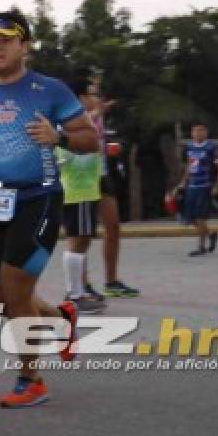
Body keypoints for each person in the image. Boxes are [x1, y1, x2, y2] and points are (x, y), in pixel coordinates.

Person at [0, 10, 99, 409]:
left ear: (25, 45)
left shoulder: (48, 90)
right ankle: (59, 321)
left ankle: (31, 379)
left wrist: (59, 137)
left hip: (38, 198)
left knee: (15, 285)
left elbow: (90, 138)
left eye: (5, 39)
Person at [58, 75, 109, 314]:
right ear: (79, 98)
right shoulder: (71, 123)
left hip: (84, 189)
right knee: (78, 241)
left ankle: (78, 291)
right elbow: (66, 153)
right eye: (89, 94)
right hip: (77, 190)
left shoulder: (77, 122)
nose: (93, 98)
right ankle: (74, 295)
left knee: (81, 240)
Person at [85, 79, 138, 298]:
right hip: (81, 177)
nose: (98, 98)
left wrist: (111, 147)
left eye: (99, 94)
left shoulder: (100, 115)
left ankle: (111, 281)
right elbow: (73, 131)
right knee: (82, 234)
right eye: (92, 93)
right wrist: (98, 111)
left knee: (113, 227)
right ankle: (81, 285)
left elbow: (100, 141)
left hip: (102, 173)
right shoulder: (75, 112)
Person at [176, 123, 218, 257]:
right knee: (189, 217)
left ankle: (201, 246)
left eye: (200, 130)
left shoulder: (212, 147)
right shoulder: (189, 147)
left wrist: (217, 186)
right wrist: (183, 182)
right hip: (192, 185)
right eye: (194, 130)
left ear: (206, 132)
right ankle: (211, 234)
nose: (197, 133)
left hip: (205, 186)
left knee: (200, 217)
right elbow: (189, 165)